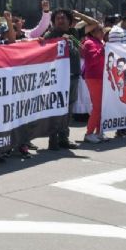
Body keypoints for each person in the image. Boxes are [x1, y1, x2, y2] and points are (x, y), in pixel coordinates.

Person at [43, 9, 83, 150]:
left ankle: (64, 138)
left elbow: (80, 46)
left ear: (69, 21)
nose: (60, 20)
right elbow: (43, 51)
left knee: (68, 109)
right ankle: (53, 140)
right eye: (58, 18)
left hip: (73, 76)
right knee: (56, 108)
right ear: (53, 21)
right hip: (58, 79)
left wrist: (71, 40)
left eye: (63, 18)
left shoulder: (74, 33)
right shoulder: (50, 34)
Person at [80, 20, 107, 143]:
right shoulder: (89, 43)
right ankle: (89, 133)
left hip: (100, 77)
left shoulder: (98, 42)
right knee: (97, 107)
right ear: (93, 32)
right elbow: (91, 62)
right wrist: (102, 51)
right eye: (100, 30)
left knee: (100, 106)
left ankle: (99, 131)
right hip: (94, 77)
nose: (103, 33)